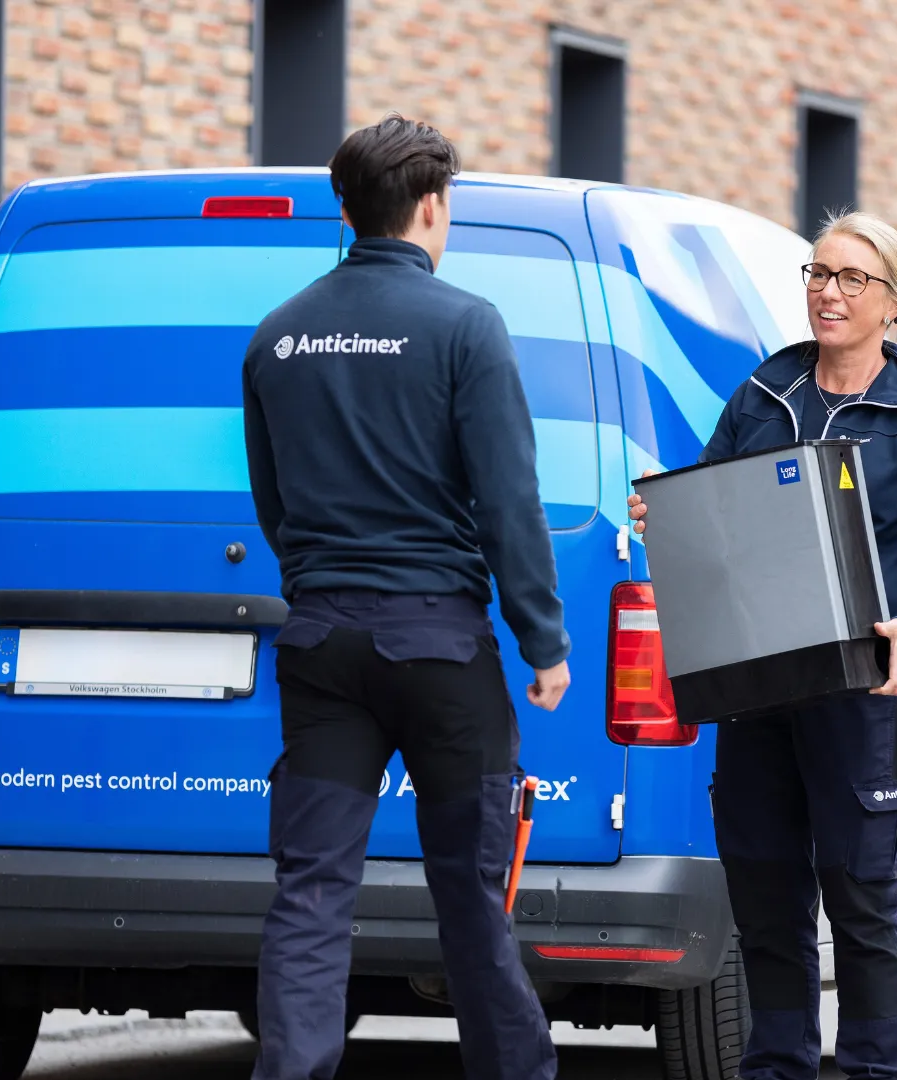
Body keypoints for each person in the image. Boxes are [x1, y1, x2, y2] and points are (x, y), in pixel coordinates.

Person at [627, 212, 897, 1080]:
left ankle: (875, 1065)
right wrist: (666, 516)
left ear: (893, 303)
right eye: (819, 274)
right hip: (757, 687)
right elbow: (714, 505)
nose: (829, 292)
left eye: (851, 279)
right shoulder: (765, 392)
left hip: (861, 692)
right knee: (766, 901)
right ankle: (777, 1066)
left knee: (861, 901)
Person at [241, 114, 570, 1080]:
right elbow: (508, 498)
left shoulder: (277, 336)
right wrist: (543, 640)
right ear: (431, 206)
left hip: (321, 645)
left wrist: (320, 586)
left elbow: (274, 502)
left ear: (345, 211)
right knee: (469, 895)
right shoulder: (466, 325)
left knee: (311, 893)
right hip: (440, 653)